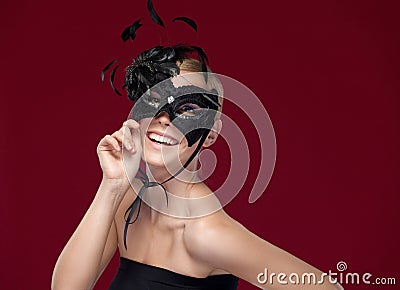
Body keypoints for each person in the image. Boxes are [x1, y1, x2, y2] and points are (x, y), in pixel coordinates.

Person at [51, 44, 344, 289]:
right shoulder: (127, 200)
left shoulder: (207, 233)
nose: (164, 119)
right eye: (153, 100)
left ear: (212, 134)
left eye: (187, 108)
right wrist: (112, 184)